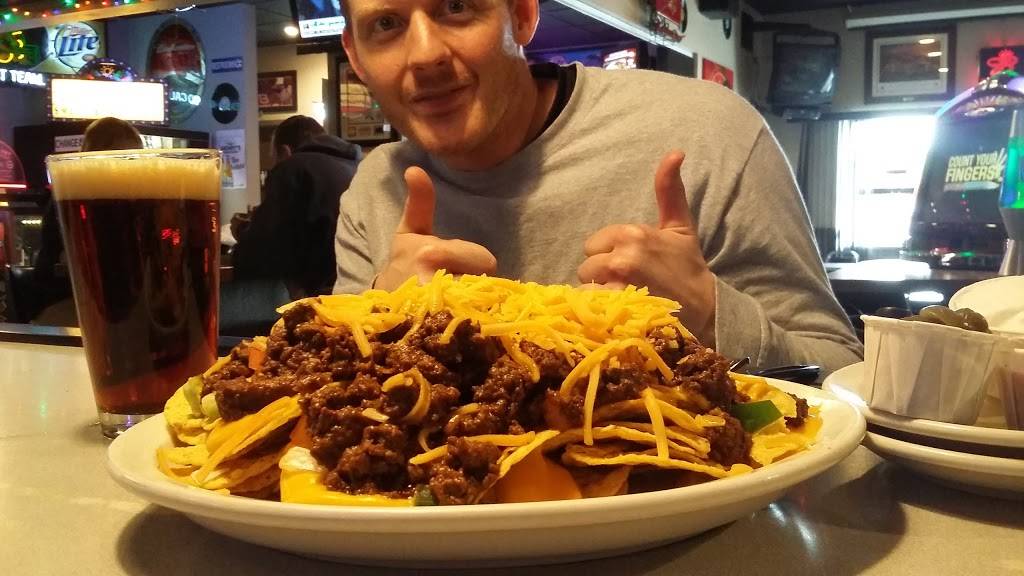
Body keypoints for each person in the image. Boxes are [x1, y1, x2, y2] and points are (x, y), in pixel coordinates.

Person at [332, 0, 862, 375]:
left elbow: (840, 373)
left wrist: (708, 316)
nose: (425, 55)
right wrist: (379, 323)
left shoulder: (710, 131)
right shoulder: (374, 190)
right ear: (355, 56)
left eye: (456, 7)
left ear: (522, 14)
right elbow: (323, 408)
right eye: (386, 24)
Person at [231, 115, 362, 298]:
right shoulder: (356, 167)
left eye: (274, 158)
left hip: (317, 296)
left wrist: (242, 232)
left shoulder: (293, 168)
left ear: (285, 152)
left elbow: (262, 252)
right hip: (357, 290)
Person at [30, 117, 143, 323]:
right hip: (67, 302)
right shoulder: (74, 196)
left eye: (135, 159)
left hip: (107, 303)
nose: (132, 166)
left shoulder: (130, 199)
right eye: (125, 158)